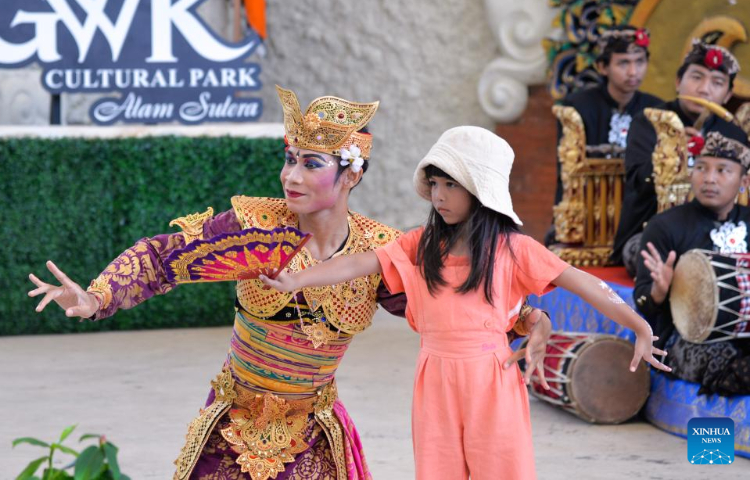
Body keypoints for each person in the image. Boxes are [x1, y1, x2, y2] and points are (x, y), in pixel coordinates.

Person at [27, 87, 549, 480]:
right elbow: (165, 259)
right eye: (289, 159)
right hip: (233, 420)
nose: (290, 176)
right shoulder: (254, 228)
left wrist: (527, 319)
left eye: (311, 164)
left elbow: (447, 306)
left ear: (351, 175)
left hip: (314, 430)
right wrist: (96, 296)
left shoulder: (380, 250)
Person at [261, 126, 670, 480]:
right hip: (434, 378)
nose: (438, 195)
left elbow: (583, 283)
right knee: (438, 469)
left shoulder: (514, 249)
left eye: (451, 184)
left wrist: (639, 325)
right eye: (434, 184)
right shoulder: (419, 245)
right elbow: (355, 264)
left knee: (499, 468)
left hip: (491, 378)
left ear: (480, 189)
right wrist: (295, 279)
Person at [612, 39, 747, 269]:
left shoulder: (732, 132)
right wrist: (671, 150)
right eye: (696, 77)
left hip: (721, 233)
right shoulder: (650, 121)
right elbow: (639, 181)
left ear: (728, 94)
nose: (704, 88)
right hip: (652, 231)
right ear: (678, 81)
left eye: (717, 82)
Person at [637, 131, 750, 396]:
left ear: (743, 180)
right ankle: (711, 437)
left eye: (722, 170)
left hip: (745, 332)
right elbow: (642, 300)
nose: (709, 178)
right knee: (737, 368)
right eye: (701, 168)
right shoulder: (664, 226)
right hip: (683, 339)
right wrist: (659, 292)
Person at [552, 26, 661, 206]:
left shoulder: (656, 110)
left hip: (639, 209)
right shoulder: (577, 108)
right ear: (603, 67)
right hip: (588, 204)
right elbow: (567, 170)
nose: (633, 71)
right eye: (623, 63)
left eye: (640, 61)